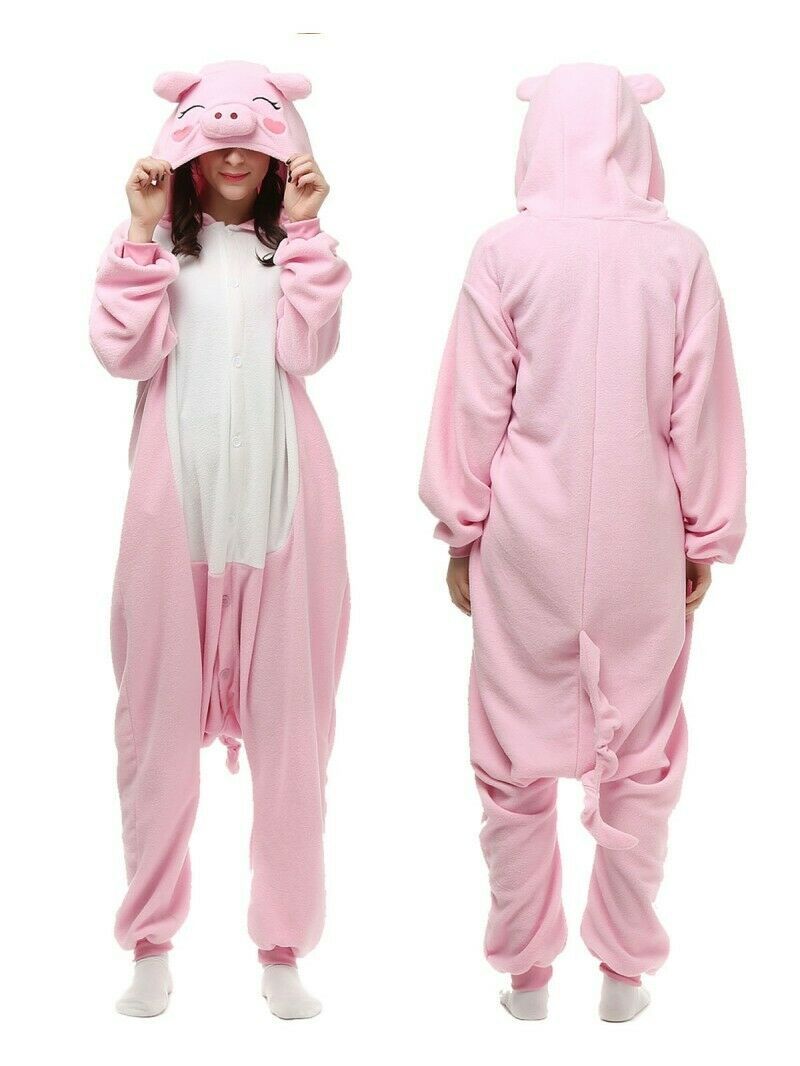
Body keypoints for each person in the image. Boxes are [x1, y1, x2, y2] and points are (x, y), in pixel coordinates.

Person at [419, 63, 745, 1022]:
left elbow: (475, 403)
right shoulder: (680, 255)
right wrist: (703, 534)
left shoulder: (505, 250)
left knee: (508, 759)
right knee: (642, 758)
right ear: (637, 137)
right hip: (645, 533)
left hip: (525, 537)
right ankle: (624, 976)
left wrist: (462, 528)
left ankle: (526, 976)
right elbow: (701, 410)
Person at [90, 60, 350, 1020]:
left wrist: (309, 229)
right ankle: (150, 943)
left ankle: (282, 948)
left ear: (280, 152)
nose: (235, 154)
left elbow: (309, 350)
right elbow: (124, 353)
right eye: (215, 139)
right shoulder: (157, 250)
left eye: (253, 141)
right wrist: (140, 230)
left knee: (294, 743)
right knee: (153, 738)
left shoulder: (296, 251)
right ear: (187, 149)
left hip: (283, 515)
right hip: (177, 524)